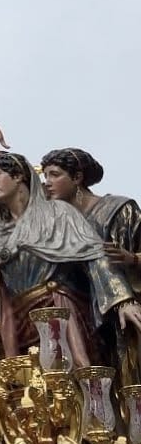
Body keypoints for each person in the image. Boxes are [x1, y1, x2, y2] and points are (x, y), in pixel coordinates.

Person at [0, 152, 141, 367]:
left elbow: (94, 254)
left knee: (75, 382)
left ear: (18, 176)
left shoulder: (58, 213)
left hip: (63, 314)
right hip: (19, 325)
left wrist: (122, 300)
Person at [41, 147, 141, 388]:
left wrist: (133, 259)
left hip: (131, 312)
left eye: (55, 175)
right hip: (92, 322)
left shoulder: (119, 209)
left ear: (77, 178)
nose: (48, 183)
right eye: (45, 177)